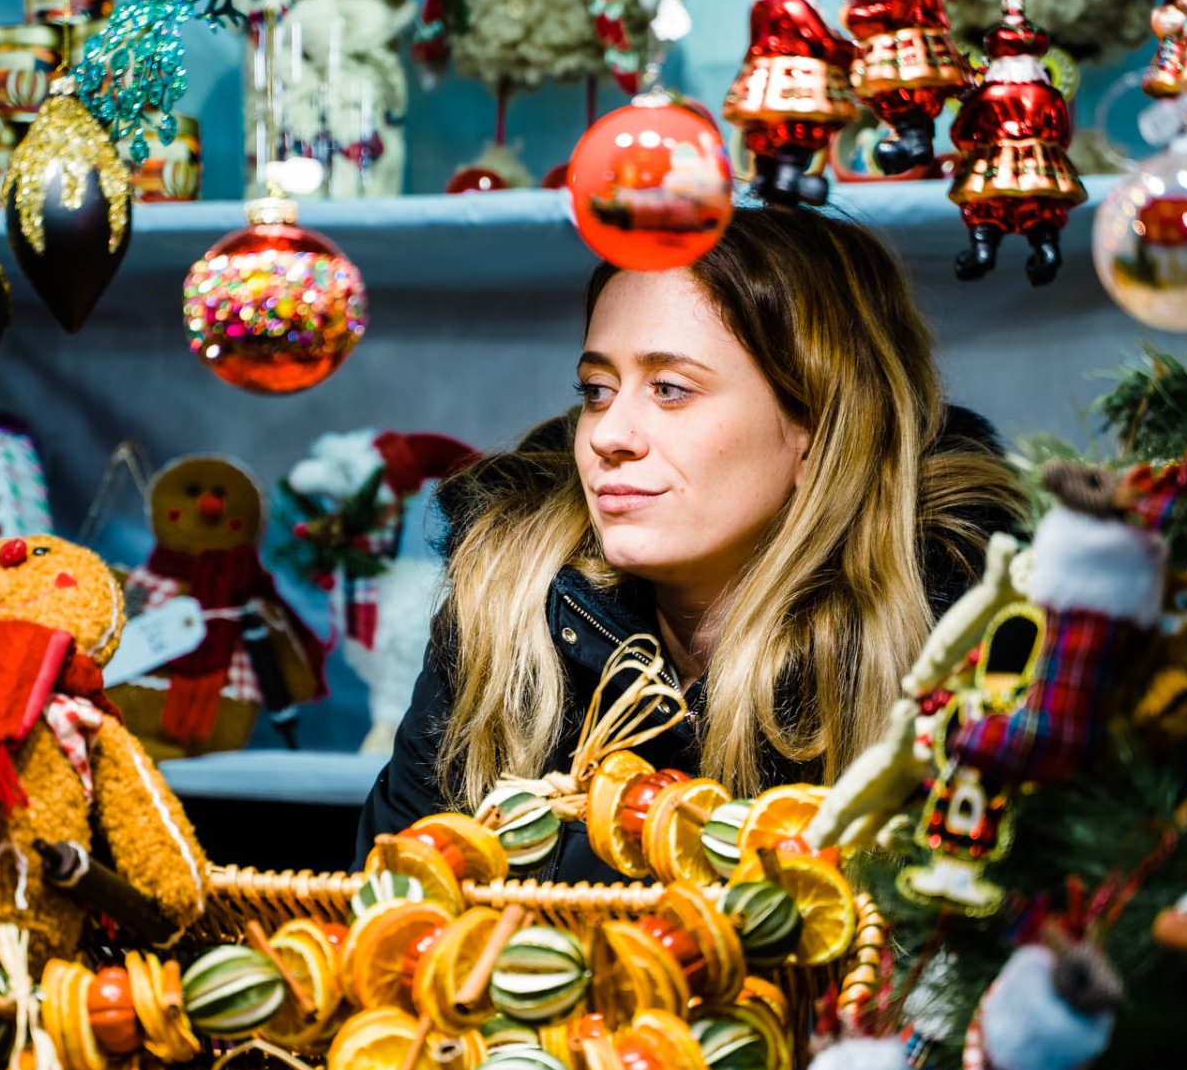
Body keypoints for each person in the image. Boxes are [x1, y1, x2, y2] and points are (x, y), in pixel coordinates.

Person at [354, 206, 1029, 882]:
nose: (607, 435)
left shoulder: (968, 641)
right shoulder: (505, 605)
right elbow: (388, 914)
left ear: (820, 424)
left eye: (670, 390)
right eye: (596, 389)